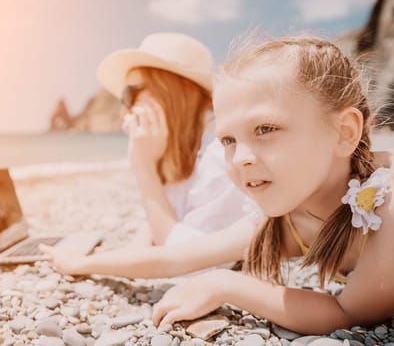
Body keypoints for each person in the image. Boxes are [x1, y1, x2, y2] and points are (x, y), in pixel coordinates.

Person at [151, 36, 394, 335]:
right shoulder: (295, 219)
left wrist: (226, 284)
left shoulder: (390, 207)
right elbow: (178, 257)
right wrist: (84, 263)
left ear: (344, 132)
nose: (241, 158)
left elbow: (347, 312)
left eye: (265, 129)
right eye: (228, 140)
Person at [40, 33, 253, 278]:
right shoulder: (191, 147)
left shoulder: (221, 155)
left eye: (130, 95)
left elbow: (190, 263)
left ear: (172, 91)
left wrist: (144, 170)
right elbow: (152, 235)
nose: (124, 110)